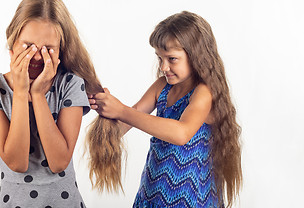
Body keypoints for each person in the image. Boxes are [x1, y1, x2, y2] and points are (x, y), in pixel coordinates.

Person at [89, 11, 242, 207]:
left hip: (190, 200)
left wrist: (121, 110)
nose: (163, 66)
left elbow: (181, 133)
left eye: (172, 59)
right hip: (152, 194)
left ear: (197, 57)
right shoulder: (162, 87)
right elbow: (127, 121)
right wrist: (105, 109)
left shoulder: (204, 92)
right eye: (160, 58)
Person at [0, 0, 104, 208]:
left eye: (47, 49)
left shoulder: (70, 85)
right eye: (28, 46)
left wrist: (38, 95)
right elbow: (16, 162)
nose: (36, 56)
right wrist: (21, 93)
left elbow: (59, 162)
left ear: (60, 49)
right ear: (12, 42)